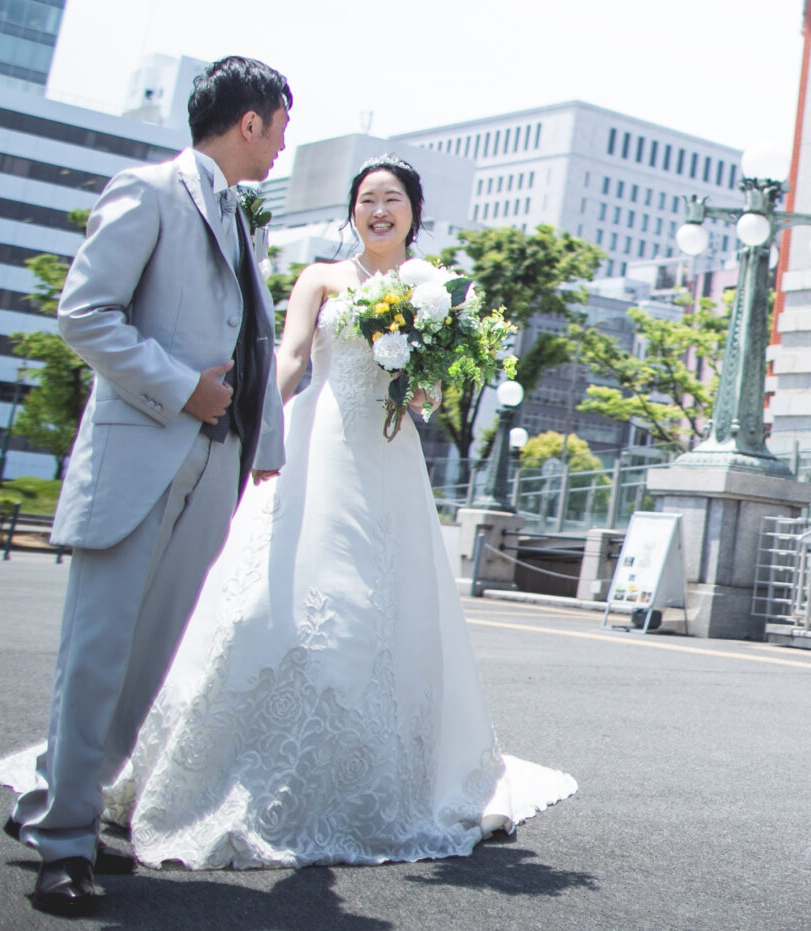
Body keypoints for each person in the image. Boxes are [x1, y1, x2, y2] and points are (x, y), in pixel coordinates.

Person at [80, 155, 573, 869]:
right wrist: (252, 419)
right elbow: (290, 357)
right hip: (316, 443)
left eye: (393, 199)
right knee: (266, 600)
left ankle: (374, 774)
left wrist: (419, 373)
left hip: (391, 456)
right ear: (352, 212)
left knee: (380, 609)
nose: (379, 210)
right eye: (367, 198)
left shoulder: (437, 288)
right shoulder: (320, 276)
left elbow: (428, 400)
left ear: (413, 212)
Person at [0, 56, 293, 916]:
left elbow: (256, 344)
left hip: (213, 462)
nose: (280, 147)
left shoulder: (242, 221)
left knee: (146, 658)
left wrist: (259, 442)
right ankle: (64, 842)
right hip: (141, 450)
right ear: (251, 121)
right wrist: (179, 385)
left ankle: (61, 807)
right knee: (97, 652)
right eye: (280, 127)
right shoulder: (150, 189)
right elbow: (84, 312)